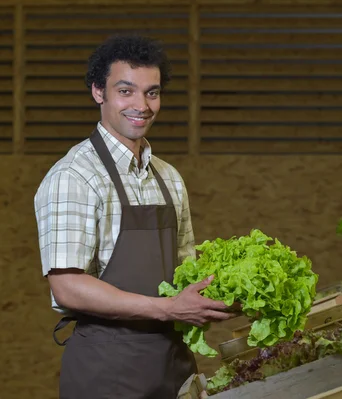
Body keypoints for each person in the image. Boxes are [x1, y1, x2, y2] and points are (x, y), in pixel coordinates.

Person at [33, 34, 238, 399]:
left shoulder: (169, 178)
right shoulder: (75, 176)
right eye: (126, 91)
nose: (141, 105)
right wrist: (169, 308)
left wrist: (229, 291)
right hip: (107, 370)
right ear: (99, 91)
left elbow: (183, 266)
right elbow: (67, 286)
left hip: (173, 364)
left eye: (152, 93)